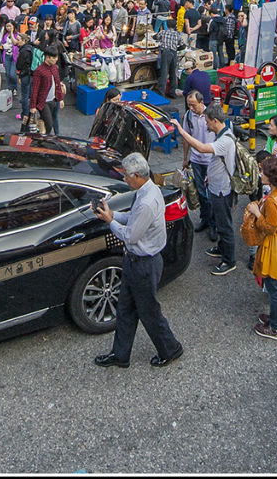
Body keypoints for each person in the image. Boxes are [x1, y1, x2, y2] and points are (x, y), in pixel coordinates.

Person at [92, 151, 185, 369]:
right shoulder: (148, 191)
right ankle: (120, 354)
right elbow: (133, 219)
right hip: (136, 261)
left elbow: (130, 235)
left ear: (136, 175)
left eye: (126, 175)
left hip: (144, 264)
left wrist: (109, 221)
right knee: (125, 308)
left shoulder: (146, 201)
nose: (124, 178)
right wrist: (113, 215)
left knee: (149, 312)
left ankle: (170, 348)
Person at [171, 103, 238, 276]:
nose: (206, 125)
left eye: (208, 122)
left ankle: (229, 261)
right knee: (220, 221)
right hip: (215, 187)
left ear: (215, 121)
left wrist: (181, 130)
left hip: (222, 191)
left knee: (225, 226)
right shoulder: (220, 134)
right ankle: (221, 248)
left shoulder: (225, 140)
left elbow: (201, 148)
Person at [247, 156, 277, 340]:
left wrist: (257, 213)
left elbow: (269, 227)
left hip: (273, 245)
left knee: (274, 286)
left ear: (271, 177)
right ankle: (276, 318)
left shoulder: (274, 200)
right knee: (274, 284)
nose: (260, 174)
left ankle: (276, 327)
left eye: (263, 172)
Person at [180, 90, 216, 242]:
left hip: (211, 161)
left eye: (193, 105)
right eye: (189, 105)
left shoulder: (212, 115)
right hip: (196, 160)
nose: (191, 108)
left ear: (202, 103)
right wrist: (185, 158)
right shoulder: (188, 116)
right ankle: (205, 219)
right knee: (201, 192)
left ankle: (213, 225)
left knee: (212, 194)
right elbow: (186, 138)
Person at [29, 46, 65, 136]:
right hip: (43, 102)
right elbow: (35, 89)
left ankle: (52, 136)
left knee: (52, 120)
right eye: (53, 58)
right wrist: (33, 106)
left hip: (53, 100)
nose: (55, 59)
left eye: (56, 57)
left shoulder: (54, 68)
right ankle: (44, 139)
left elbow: (57, 83)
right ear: (47, 57)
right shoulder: (39, 71)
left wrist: (60, 99)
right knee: (49, 124)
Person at [156, 23, 187, 99]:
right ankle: (172, 93)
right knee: (173, 73)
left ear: (167, 26)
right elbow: (183, 45)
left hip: (166, 53)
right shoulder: (177, 34)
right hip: (174, 53)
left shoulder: (163, 32)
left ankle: (161, 94)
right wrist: (176, 49)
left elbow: (156, 37)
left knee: (164, 73)